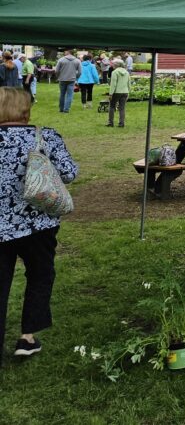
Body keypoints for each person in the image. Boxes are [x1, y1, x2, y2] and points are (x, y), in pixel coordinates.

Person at [0, 86, 79, 364]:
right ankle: (28, 337)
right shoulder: (44, 137)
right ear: (25, 108)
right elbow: (69, 173)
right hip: (39, 224)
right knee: (40, 275)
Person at [105, 59, 131, 127]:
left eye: (113, 64)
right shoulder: (127, 72)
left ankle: (110, 122)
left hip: (116, 92)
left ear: (116, 65)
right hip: (125, 92)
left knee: (112, 106)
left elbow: (113, 84)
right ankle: (121, 123)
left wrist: (110, 94)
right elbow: (129, 83)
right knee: (122, 108)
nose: (112, 65)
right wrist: (128, 92)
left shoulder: (115, 72)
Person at [54, 49, 81, 114]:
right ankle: (66, 109)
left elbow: (56, 71)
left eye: (65, 51)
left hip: (62, 79)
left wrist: (58, 77)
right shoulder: (77, 61)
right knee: (69, 95)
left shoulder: (61, 60)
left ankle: (61, 109)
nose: (64, 52)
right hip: (72, 80)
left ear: (68, 52)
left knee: (62, 94)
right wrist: (76, 77)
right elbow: (80, 72)